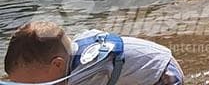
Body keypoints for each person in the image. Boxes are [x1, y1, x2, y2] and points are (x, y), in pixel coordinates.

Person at [4, 21, 182, 84]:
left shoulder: (87, 72)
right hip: (153, 62)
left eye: (35, 84)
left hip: (164, 76)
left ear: (57, 64)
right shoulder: (77, 48)